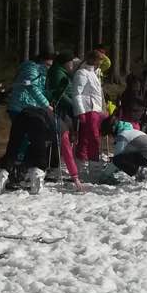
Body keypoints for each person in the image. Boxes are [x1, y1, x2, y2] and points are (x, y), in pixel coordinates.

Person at [0, 52, 54, 195]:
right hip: (20, 108)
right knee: (22, 142)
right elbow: (32, 88)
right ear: (41, 61)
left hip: (29, 108)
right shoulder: (32, 69)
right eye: (47, 64)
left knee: (23, 142)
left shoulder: (39, 71)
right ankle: (16, 173)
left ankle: (15, 172)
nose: (49, 67)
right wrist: (46, 105)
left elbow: (39, 89)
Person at [47, 53, 83, 190]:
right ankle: (54, 166)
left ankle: (57, 165)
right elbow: (60, 94)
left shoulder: (63, 73)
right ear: (65, 63)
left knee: (65, 137)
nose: (72, 65)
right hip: (61, 109)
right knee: (63, 137)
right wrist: (74, 105)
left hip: (65, 108)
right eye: (70, 62)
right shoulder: (58, 73)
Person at [97, 118, 147, 183]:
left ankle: (142, 173)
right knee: (124, 158)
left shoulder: (122, 136)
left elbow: (116, 160)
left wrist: (105, 175)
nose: (110, 137)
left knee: (117, 159)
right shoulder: (131, 131)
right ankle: (141, 170)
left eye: (109, 134)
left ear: (113, 129)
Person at [71, 54, 106, 166]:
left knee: (92, 136)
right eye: (98, 61)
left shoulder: (93, 73)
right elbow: (77, 93)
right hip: (88, 109)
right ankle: (85, 160)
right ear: (93, 60)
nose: (100, 64)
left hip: (95, 109)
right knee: (89, 137)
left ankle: (91, 159)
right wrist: (81, 111)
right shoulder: (82, 73)